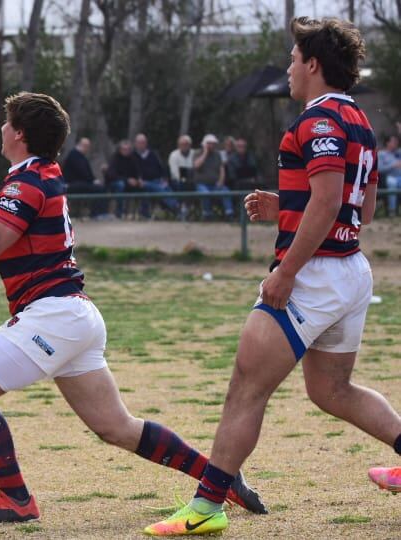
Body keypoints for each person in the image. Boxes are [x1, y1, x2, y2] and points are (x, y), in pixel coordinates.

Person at [0, 92, 266, 524]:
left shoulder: (27, 184)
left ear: (20, 134)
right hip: (73, 315)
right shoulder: (34, 176)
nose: (1, 129)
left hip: (53, 315)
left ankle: (16, 499)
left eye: (7, 122)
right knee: (117, 427)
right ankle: (218, 478)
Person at [146, 17, 401, 536]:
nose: (288, 67)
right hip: (351, 271)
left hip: (315, 275)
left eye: (292, 57)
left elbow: (331, 201)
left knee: (246, 385)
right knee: (331, 390)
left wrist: (286, 272)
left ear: (312, 64)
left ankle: (207, 505)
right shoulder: (359, 120)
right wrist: (285, 204)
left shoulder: (319, 120)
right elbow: (362, 207)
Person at [131, 133, 180, 218]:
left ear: (146, 143)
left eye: (143, 142)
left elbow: (162, 167)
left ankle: (173, 209)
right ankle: (176, 207)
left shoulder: (153, 154)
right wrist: (137, 179)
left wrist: (165, 179)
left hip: (156, 179)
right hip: (142, 182)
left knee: (166, 187)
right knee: (159, 188)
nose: (141, 144)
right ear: (135, 143)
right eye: (139, 142)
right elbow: (131, 171)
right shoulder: (132, 156)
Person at [61, 137, 109, 218]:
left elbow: (87, 172)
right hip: (72, 184)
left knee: (99, 187)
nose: (87, 148)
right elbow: (82, 172)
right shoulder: (74, 155)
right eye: (86, 146)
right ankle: (97, 213)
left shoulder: (80, 155)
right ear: (81, 145)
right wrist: (93, 181)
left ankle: (98, 212)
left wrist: (93, 180)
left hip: (79, 183)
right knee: (99, 189)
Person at [193, 134, 233, 220]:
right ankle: (207, 214)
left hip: (215, 184)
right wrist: (205, 152)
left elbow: (221, 169)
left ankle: (229, 214)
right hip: (202, 184)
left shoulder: (218, 154)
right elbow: (196, 165)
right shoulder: (197, 153)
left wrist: (221, 181)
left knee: (226, 192)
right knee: (205, 194)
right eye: (210, 143)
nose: (212, 145)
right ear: (204, 144)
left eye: (214, 143)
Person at [105, 139, 140, 218]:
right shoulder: (115, 158)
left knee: (143, 185)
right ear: (120, 149)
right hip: (114, 183)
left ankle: (142, 214)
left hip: (129, 183)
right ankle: (119, 212)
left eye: (128, 149)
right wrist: (127, 180)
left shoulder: (133, 158)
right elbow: (111, 175)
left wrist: (138, 179)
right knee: (120, 185)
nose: (126, 151)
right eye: (124, 149)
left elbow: (137, 171)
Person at [377, 134, 401, 216]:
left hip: (399, 177)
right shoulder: (382, 154)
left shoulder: (398, 153)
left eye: (396, 142)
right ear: (387, 143)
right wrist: (393, 166)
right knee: (392, 183)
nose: (396, 143)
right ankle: (392, 210)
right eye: (393, 142)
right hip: (387, 177)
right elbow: (379, 168)